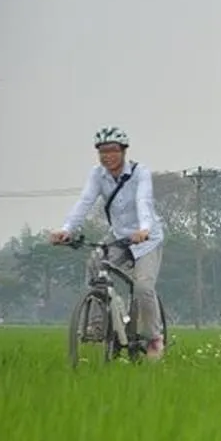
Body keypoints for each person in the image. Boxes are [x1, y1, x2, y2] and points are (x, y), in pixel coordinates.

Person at [50, 126, 166, 360]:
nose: (107, 156)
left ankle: (154, 336)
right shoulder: (97, 175)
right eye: (102, 151)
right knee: (95, 264)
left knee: (143, 287)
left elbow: (143, 200)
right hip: (119, 236)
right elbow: (85, 202)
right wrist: (66, 230)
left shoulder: (139, 172)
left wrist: (144, 228)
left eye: (112, 150)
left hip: (146, 239)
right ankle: (98, 323)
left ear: (123, 151)